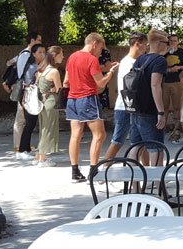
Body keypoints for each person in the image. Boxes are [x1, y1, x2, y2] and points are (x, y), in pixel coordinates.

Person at [64, 33, 118, 182]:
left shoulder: (72, 57)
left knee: (75, 135)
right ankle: (93, 171)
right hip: (87, 99)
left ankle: (75, 171)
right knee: (99, 135)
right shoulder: (91, 59)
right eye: (100, 49)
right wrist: (111, 72)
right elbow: (101, 83)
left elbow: (66, 82)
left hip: (72, 99)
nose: (100, 53)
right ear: (94, 43)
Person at [103, 32, 148, 160]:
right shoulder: (128, 62)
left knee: (142, 142)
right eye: (145, 45)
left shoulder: (137, 61)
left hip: (135, 107)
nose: (146, 48)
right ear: (137, 44)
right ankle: (103, 169)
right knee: (118, 141)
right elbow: (130, 86)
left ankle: (149, 171)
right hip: (125, 107)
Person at [128, 28, 169, 166]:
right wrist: (161, 112)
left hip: (136, 109)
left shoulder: (140, 59)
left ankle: (134, 186)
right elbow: (155, 85)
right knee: (156, 149)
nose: (167, 45)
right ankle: (157, 185)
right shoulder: (160, 60)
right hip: (150, 111)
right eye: (166, 42)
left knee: (136, 147)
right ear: (158, 43)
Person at [9, 31, 41, 153]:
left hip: (26, 89)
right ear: (32, 41)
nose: (40, 43)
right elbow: (24, 73)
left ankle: (22, 144)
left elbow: (10, 62)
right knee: (20, 118)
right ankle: (18, 145)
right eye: (39, 40)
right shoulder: (25, 55)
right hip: (25, 89)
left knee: (23, 118)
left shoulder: (23, 54)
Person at [16, 43, 45, 160]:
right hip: (31, 98)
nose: (43, 54)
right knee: (29, 124)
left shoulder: (34, 66)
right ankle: (22, 150)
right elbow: (34, 83)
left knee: (30, 124)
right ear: (34, 54)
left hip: (29, 97)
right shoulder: (34, 67)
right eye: (40, 52)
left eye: (44, 52)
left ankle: (26, 149)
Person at [34, 46, 62, 166]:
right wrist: (54, 89)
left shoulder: (40, 71)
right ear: (54, 56)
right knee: (48, 130)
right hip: (51, 102)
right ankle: (43, 159)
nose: (63, 57)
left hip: (41, 103)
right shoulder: (54, 72)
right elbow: (59, 89)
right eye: (61, 55)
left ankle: (38, 156)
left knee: (43, 129)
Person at [163, 34, 183, 143]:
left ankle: (176, 129)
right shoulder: (164, 51)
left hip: (177, 82)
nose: (173, 42)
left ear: (178, 41)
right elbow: (158, 63)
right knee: (164, 107)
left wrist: (179, 68)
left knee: (177, 107)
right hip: (165, 82)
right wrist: (168, 69)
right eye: (171, 41)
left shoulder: (181, 52)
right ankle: (162, 128)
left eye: (175, 41)